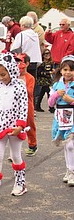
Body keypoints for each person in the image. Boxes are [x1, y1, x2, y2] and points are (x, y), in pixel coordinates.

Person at [0, 52, 28, 197]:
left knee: (15, 155)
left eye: (4, 74)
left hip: (15, 126)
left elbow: (24, 106)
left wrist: (21, 125)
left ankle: (20, 183)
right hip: (1, 125)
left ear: (11, 71)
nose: (1, 78)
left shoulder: (20, 87)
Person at [48, 55, 74, 186]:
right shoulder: (57, 85)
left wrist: (72, 100)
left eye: (71, 69)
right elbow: (50, 103)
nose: (68, 72)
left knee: (71, 144)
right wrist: (56, 94)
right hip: (60, 118)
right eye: (65, 69)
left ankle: (72, 171)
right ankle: (68, 170)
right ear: (61, 70)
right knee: (66, 144)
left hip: (73, 117)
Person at [14, 53, 38, 157]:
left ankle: (32, 145)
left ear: (27, 64)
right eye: (17, 62)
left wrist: (21, 83)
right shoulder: (13, 76)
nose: (19, 65)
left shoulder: (30, 78)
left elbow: (30, 92)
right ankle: (15, 150)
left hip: (28, 105)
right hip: (16, 105)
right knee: (15, 126)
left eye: (21, 62)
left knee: (29, 125)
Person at [10, 16, 42, 80]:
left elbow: (14, 49)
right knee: (31, 80)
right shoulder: (35, 35)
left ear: (23, 25)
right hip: (34, 61)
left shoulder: (21, 35)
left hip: (24, 62)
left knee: (23, 81)